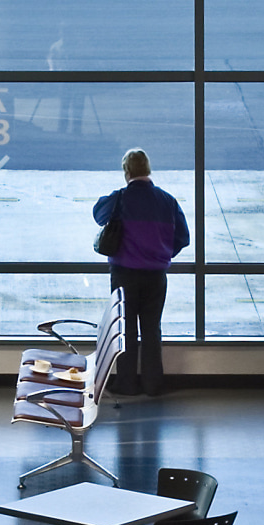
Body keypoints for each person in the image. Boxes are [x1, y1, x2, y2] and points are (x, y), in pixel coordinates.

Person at [92, 147, 189, 396]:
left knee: (125, 330)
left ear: (126, 171)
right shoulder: (168, 201)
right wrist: (162, 253)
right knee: (151, 329)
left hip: (123, 273)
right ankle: (153, 383)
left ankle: (126, 383)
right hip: (156, 276)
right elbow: (183, 237)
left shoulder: (120, 199)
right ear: (148, 169)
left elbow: (98, 214)